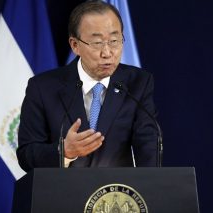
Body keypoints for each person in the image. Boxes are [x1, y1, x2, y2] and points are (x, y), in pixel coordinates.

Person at [17, 0, 158, 172]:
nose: (107, 53)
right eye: (97, 43)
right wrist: (64, 152)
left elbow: (148, 145)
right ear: (75, 45)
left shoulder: (138, 83)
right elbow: (26, 154)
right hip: (62, 195)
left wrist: (151, 189)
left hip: (116, 195)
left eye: (114, 40)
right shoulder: (43, 87)